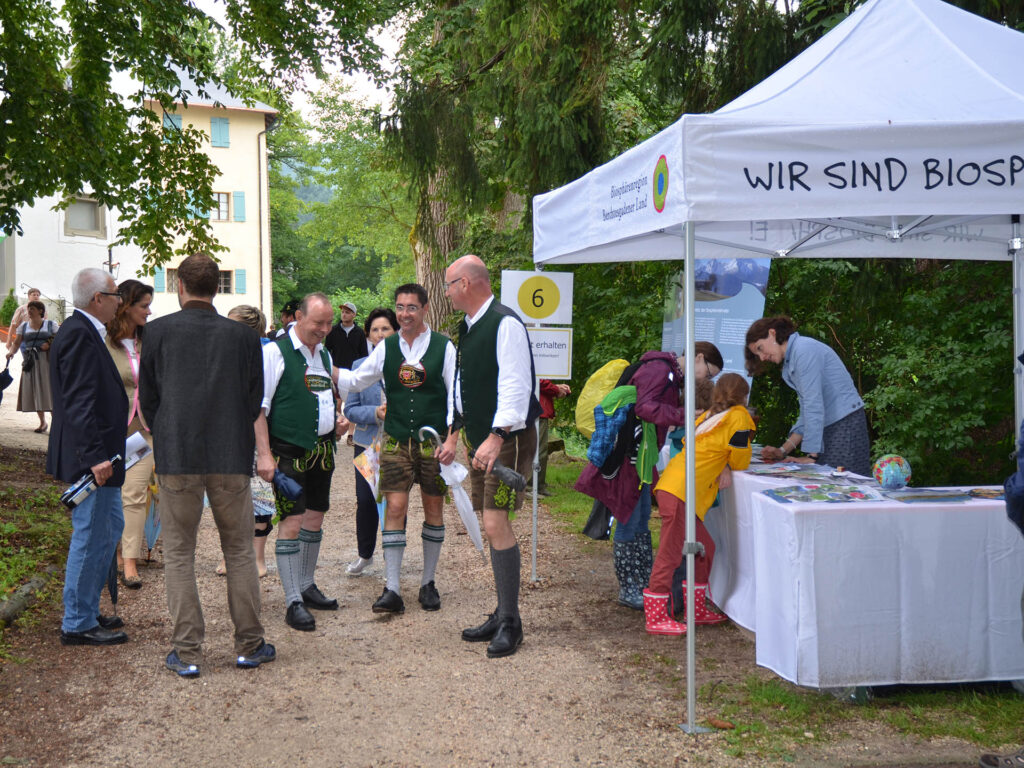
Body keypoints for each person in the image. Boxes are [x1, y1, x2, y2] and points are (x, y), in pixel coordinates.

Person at [140, 253, 274, 677]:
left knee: (179, 553)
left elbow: (149, 401)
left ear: (180, 285)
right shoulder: (243, 337)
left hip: (178, 453)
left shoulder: (157, 332)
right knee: (238, 550)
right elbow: (254, 401)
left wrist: (168, 431)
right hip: (229, 454)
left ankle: (188, 651)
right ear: (217, 287)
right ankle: (249, 644)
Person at [335, 284, 458, 616]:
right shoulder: (387, 347)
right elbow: (358, 381)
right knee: (395, 508)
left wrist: (452, 439)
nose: (405, 313)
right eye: (400, 307)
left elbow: (454, 398)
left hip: (432, 442)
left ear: (425, 309)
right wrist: (326, 369)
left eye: (412, 307)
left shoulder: (444, 347)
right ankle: (392, 588)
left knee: (434, 508)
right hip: (395, 438)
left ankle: (428, 583)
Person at [575, 342, 723, 611]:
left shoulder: (666, 372)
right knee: (629, 518)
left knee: (641, 517)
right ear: (698, 358)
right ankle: (630, 586)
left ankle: (641, 583)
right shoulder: (660, 370)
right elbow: (645, 408)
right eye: (709, 373)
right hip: (630, 456)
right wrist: (683, 415)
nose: (706, 379)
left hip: (641, 456)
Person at [444, 254, 541, 659]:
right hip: (483, 438)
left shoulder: (505, 323)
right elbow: (464, 386)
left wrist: (498, 436)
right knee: (491, 521)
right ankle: (502, 611)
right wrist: (454, 433)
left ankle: (511, 622)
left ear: (465, 284)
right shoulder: (470, 327)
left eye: (449, 285)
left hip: (507, 441)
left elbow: (517, 386)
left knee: (495, 520)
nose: (446, 293)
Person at [255, 292, 350, 632]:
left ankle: (307, 584)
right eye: (318, 323)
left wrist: (336, 421)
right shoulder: (274, 352)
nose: (325, 329)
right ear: (297, 317)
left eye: (328, 323)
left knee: (315, 516)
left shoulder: (322, 352)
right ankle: (293, 599)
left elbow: (325, 394)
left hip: (322, 449)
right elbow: (259, 408)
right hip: (288, 449)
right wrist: (264, 454)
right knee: (292, 521)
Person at [47, 268, 128, 646]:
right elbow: (79, 403)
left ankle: (86, 608)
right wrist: (96, 457)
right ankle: (76, 622)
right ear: (98, 298)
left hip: (104, 457)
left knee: (107, 529)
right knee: (91, 534)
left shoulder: (83, 331)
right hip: (93, 459)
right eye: (115, 295)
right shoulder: (79, 334)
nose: (119, 302)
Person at [649, 373, 755, 635]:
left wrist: (722, 463)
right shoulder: (740, 416)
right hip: (681, 492)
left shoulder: (709, 415)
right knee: (670, 553)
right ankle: (655, 617)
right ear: (744, 396)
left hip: (677, 487)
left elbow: (693, 443)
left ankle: (696, 610)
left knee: (704, 547)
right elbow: (741, 458)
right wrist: (729, 464)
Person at [745, 316, 871, 476]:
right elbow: (807, 411)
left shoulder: (803, 350)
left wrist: (812, 456)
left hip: (844, 426)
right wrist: (783, 450)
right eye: (757, 354)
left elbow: (813, 406)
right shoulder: (794, 358)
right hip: (833, 428)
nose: (762, 357)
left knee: (844, 488)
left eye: (760, 348)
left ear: (772, 333)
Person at [215, 305, 275, 579]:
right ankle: (230, 555)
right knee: (227, 498)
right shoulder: (221, 356)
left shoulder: (265, 356)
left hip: (260, 435)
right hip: (227, 435)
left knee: (260, 498)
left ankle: (258, 558)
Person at [341, 307, 398, 576]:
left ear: (396, 331)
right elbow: (350, 410)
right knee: (366, 502)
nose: (380, 334)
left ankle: (392, 559)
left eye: (385, 328)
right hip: (367, 445)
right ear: (368, 335)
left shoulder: (407, 366)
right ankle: (365, 555)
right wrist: (374, 413)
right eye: (375, 329)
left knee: (395, 503)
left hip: (399, 445)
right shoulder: (358, 367)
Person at [105, 279, 154, 590]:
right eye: (144, 306)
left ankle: (130, 560)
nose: (149, 312)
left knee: (135, 493)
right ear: (125, 306)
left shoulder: (149, 341)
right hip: (114, 429)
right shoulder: (104, 343)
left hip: (146, 429)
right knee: (114, 497)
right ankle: (115, 553)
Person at [6, 299, 57, 433]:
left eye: (32, 309)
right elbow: (17, 343)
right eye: (28, 309)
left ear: (40, 311)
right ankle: (42, 423)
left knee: (48, 390)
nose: (29, 311)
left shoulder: (51, 324)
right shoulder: (23, 326)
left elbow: (60, 338)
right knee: (36, 390)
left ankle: (56, 423)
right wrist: (11, 352)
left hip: (47, 361)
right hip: (31, 362)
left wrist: (49, 343)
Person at [325, 301, 366, 447]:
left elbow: (363, 355)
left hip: (353, 373)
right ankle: (336, 430)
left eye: (348, 312)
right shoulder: (333, 331)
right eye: (343, 311)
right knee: (337, 403)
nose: (344, 314)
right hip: (336, 372)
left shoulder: (359, 332)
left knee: (352, 404)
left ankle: (350, 434)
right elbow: (326, 351)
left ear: (354, 315)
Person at [535, 379, 571, 496]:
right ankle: (532, 487)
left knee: (541, 450)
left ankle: (538, 485)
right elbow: (537, 380)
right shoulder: (534, 362)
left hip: (538, 410)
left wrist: (556, 387)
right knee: (538, 451)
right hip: (536, 411)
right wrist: (556, 389)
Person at [5, 287, 41, 356]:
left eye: (38, 295)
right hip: (25, 339)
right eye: (34, 295)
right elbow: (13, 325)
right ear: (29, 296)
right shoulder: (21, 309)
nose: (36, 297)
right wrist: (9, 341)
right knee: (28, 360)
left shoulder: (42, 309)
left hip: (38, 339)